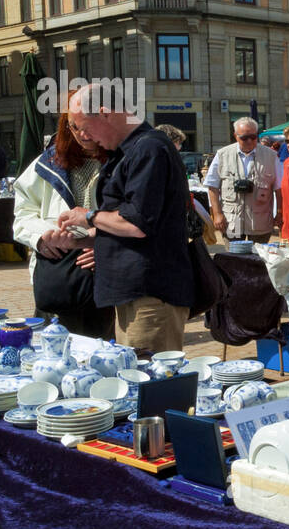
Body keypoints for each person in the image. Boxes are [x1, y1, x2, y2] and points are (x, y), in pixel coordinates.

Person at [57, 86, 193, 356]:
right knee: (137, 382)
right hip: (136, 293)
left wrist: (88, 216)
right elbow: (138, 222)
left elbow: (136, 224)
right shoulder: (131, 150)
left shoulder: (149, 148)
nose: (84, 137)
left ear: (105, 114)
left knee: (151, 386)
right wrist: (83, 239)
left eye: (84, 128)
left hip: (151, 294)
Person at [12, 105, 114, 339]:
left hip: (101, 274)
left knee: (98, 349)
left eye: (88, 126)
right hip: (57, 273)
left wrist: (106, 247)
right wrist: (41, 238)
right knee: (52, 345)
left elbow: (132, 218)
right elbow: (22, 214)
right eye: (74, 127)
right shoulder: (48, 163)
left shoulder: (120, 162)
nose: (82, 134)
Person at [205, 116, 281, 243]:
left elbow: (279, 189)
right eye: (244, 138)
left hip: (260, 222)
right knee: (233, 260)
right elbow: (212, 186)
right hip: (231, 221)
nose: (250, 141)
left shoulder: (271, 156)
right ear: (235, 136)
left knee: (258, 260)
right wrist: (217, 214)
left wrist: (279, 213)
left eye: (253, 137)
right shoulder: (223, 155)